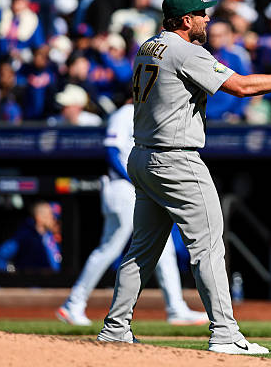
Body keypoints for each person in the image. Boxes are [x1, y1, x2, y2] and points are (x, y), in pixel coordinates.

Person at [96, 0, 271, 354]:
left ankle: (116, 327)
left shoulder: (147, 46)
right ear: (186, 20)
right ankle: (225, 333)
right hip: (176, 158)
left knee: (142, 249)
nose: (207, 19)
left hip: (143, 156)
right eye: (202, 14)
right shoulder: (186, 50)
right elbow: (241, 86)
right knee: (208, 246)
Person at [56, 94, 209, 327]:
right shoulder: (124, 113)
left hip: (136, 189)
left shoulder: (139, 114)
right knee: (110, 248)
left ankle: (176, 308)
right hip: (123, 188)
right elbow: (110, 150)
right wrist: (135, 178)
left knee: (164, 248)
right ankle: (74, 303)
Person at [0, 201, 61, 273]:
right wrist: (12, 275)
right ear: (39, 217)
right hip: (31, 282)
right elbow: (0, 256)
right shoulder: (24, 237)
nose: (53, 219)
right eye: (50, 215)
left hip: (52, 282)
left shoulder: (49, 236)